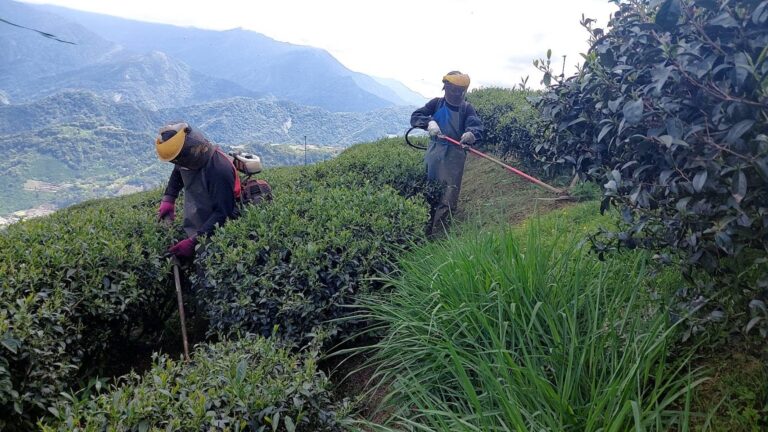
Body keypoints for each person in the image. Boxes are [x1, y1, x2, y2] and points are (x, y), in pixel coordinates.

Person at [410, 71, 484, 235]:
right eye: (454, 90)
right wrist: (429, 122)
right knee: (429, 193)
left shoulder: (466, 108)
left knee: (448, 197)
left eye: (461, 91)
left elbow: (476, 126)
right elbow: (415, 116)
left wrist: (471, 134)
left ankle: (438, 236)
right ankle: (423, 230)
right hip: (434, 155)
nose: (458, 94)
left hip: (454, 158)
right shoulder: (436, 104)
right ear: (446, 87)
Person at [155, 122, 240, 258]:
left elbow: (223, 212)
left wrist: (194, 241)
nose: (178, 162)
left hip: (223, 219)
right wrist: (169, 198)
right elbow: (178, 169)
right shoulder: (186, 157)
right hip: (202, 214)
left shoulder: (219, 170)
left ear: (190, 147)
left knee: (210, 260)